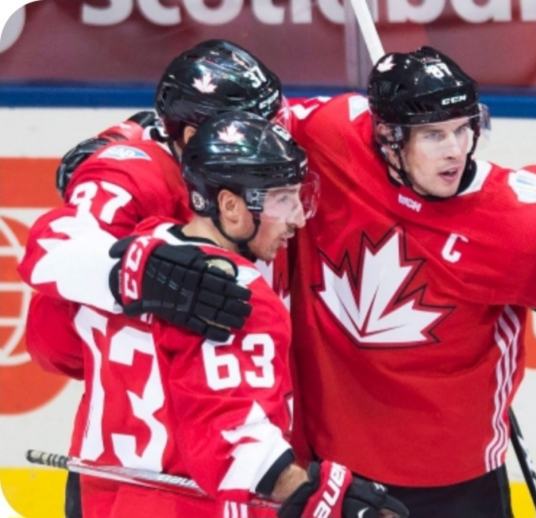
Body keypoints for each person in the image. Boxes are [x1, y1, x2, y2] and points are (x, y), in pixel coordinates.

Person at [31, 46, 536, 515]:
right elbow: (207, 140)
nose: (454, 149)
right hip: (303, 471)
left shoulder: (517, 217)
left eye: (461, 130)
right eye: (431, 134)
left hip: (443, 480)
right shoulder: (287, 159)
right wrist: (121, 146)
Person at [65, 110, 405, 518]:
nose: (298, 218)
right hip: (187, 508)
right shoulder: (231, 293)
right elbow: (233, 439)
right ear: (229, 205)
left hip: (102, 500)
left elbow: (54, 347)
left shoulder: (133, 258)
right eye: (283, 199)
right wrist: (320, 495)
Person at [19, 39, 291, 517]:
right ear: (191, 133)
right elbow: (50, 249)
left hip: (224, 438)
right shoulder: (134, 172)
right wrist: (144, 272)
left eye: (270, 122)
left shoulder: (233, 158)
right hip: (142, 465)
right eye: (249, 125)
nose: (265, 138)